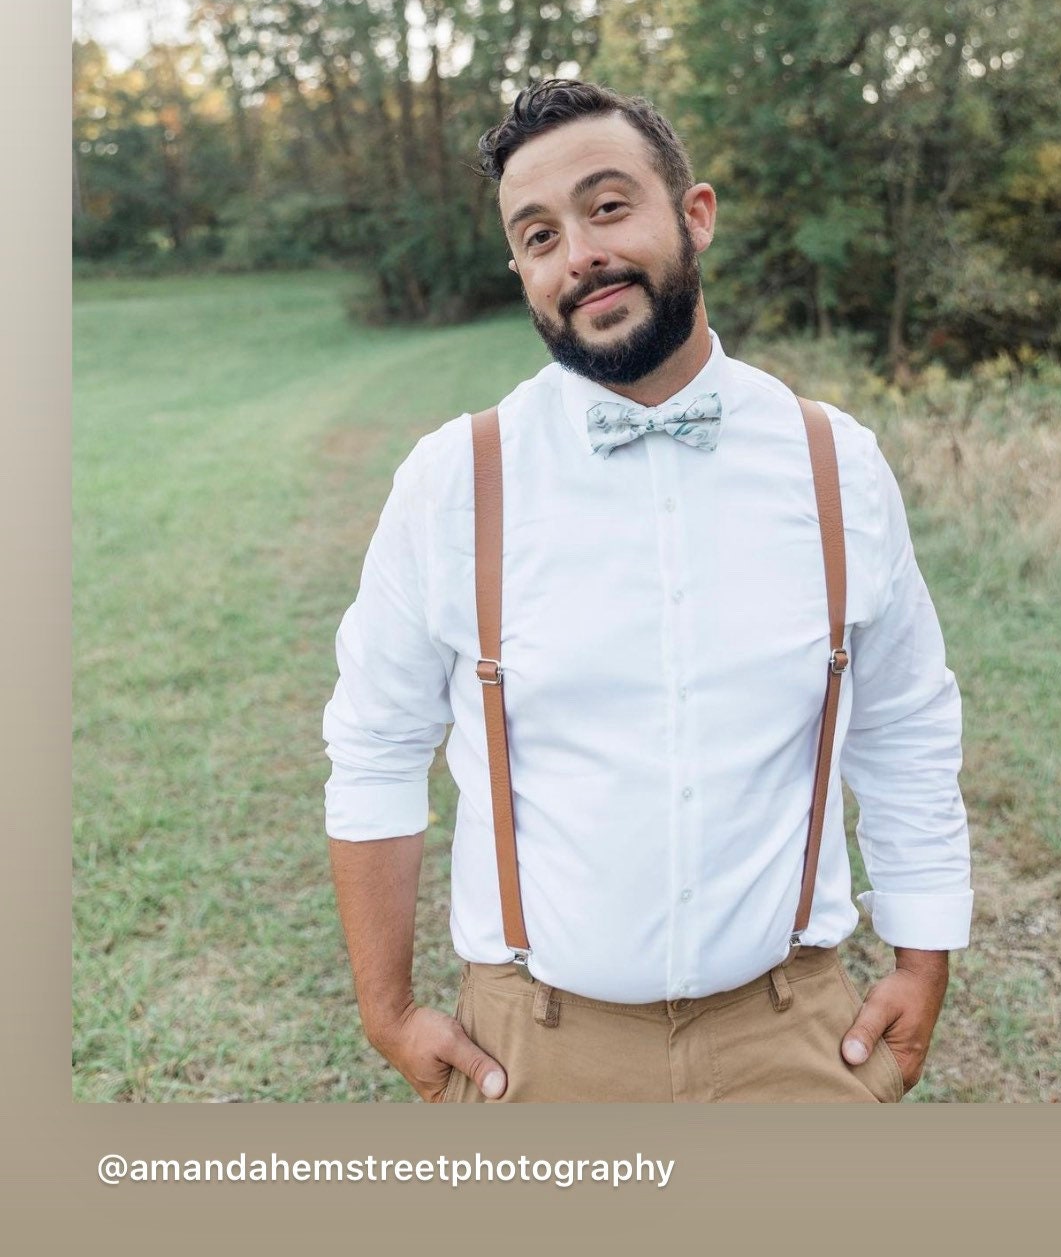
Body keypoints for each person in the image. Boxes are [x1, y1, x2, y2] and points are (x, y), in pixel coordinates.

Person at [323, 78, 972, 1104]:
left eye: (608, 206)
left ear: (695, 215)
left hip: (797, 1037)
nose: (578, 253)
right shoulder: (454, 481)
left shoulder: (833, 461)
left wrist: (923, 951)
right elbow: (372, 747)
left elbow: (903, 719)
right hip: (532, 1052)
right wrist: (388, 1006)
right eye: (538, 236)